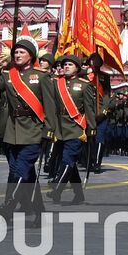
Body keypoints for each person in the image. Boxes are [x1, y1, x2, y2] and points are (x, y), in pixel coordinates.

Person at [0, 38, 51, 227]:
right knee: (22, 173)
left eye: (22, 52)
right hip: (12, 130)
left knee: (21, 170)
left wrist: (49, 131)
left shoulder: (41, 76)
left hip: (33, 129)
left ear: (31, 55)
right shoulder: (9, 75)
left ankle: (8, 207)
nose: (17, 55)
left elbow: (50, 105)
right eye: (15, 52)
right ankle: (39, 213)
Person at [46, 54, 96, 206]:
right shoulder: (55, 83)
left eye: (70, 65)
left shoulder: (84, 85)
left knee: (68, 159)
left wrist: (92, 128)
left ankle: (57, 189)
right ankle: (79, 194)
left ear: (77, 68)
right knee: (70, 163)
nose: (66, 66)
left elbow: (89, 109)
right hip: (59, 127)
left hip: (76, 128)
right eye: (65, 64)